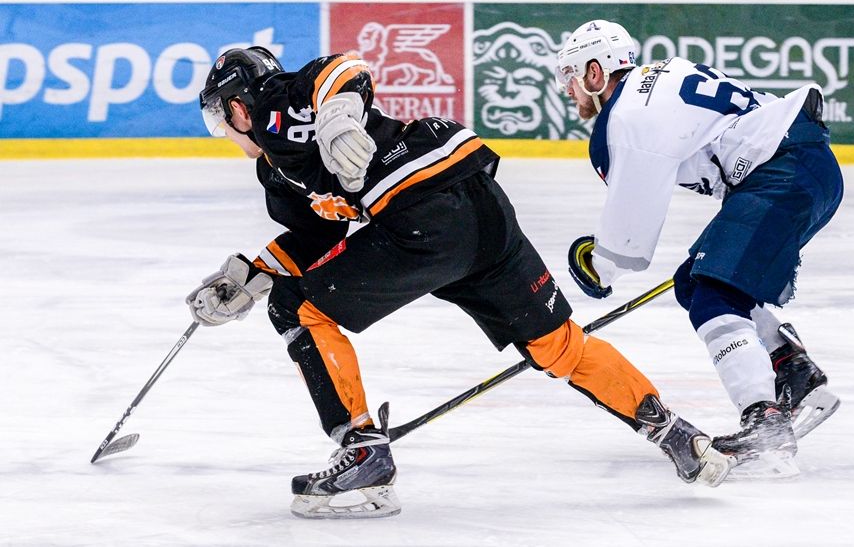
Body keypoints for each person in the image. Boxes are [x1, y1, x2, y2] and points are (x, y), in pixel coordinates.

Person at [188, 46, 735, 519]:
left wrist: (337, 116)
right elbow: (314, 238)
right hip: (475, 213)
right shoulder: (278, 177)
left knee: (296, 309)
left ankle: (362, 452)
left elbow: (341, 69)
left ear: (237, 105)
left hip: (427, 215)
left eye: (218, 119)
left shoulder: (275, 104)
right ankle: (678, 435)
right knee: (559, 345)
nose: (225, 133)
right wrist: (248, 274)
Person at [558, 20, 844, 477]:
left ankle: (765, 421)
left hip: (783, 173)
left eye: (571, 77)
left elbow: (629, 237)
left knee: (714, 294)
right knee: (696, 283)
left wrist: (598, 267)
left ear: (596, 72)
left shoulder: (629, 115)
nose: (569, 91)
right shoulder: (658, 79)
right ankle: (795, 373)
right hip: (805, 168)